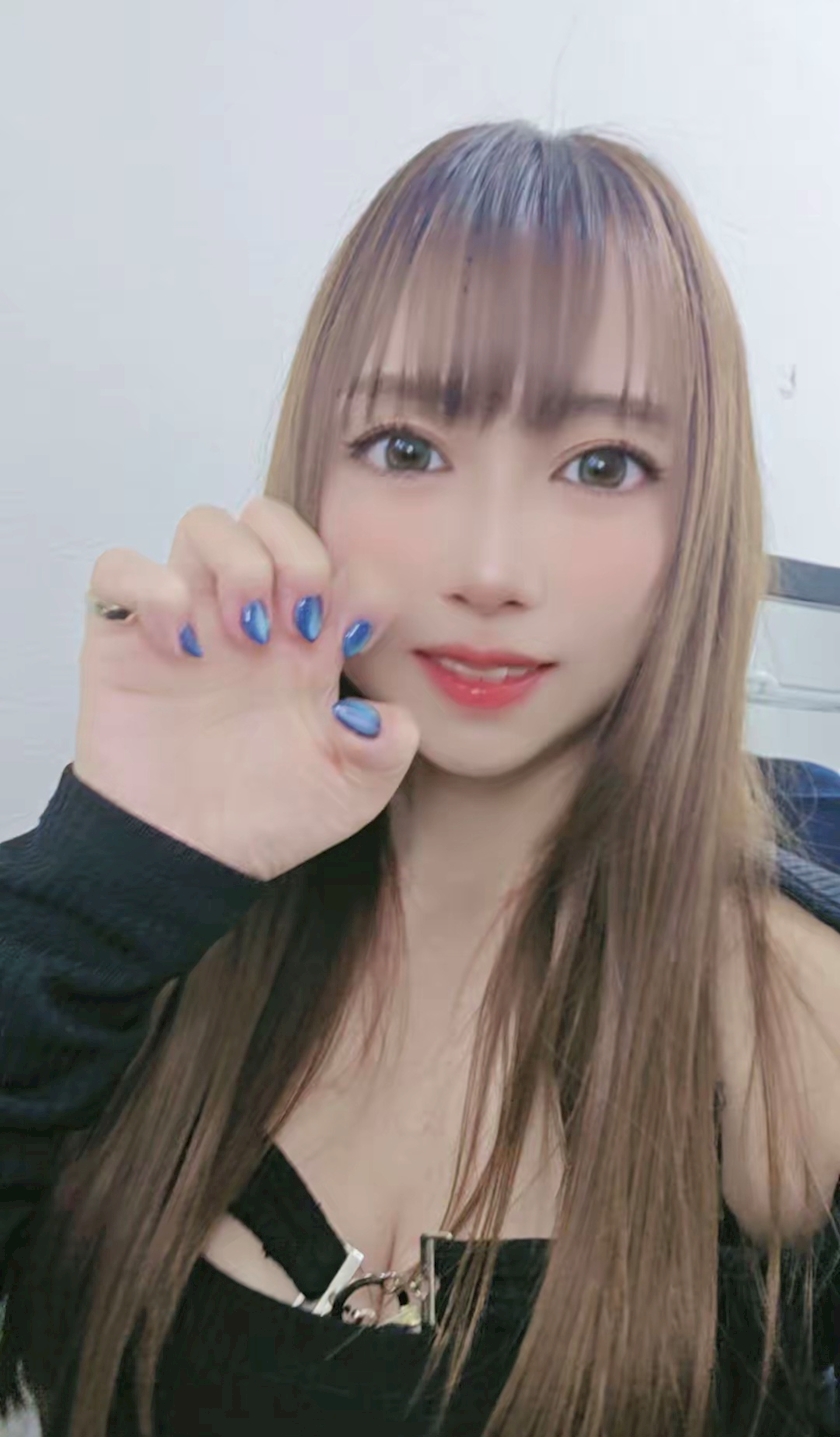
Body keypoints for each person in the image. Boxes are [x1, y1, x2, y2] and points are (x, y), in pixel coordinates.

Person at [2, 122, 840, 1437]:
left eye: (603, 465)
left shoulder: (794, 1018)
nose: (490, 566)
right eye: (406, 448)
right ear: (313, 473)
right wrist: (112, 866)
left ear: (703, 518)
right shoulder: (139, 945)